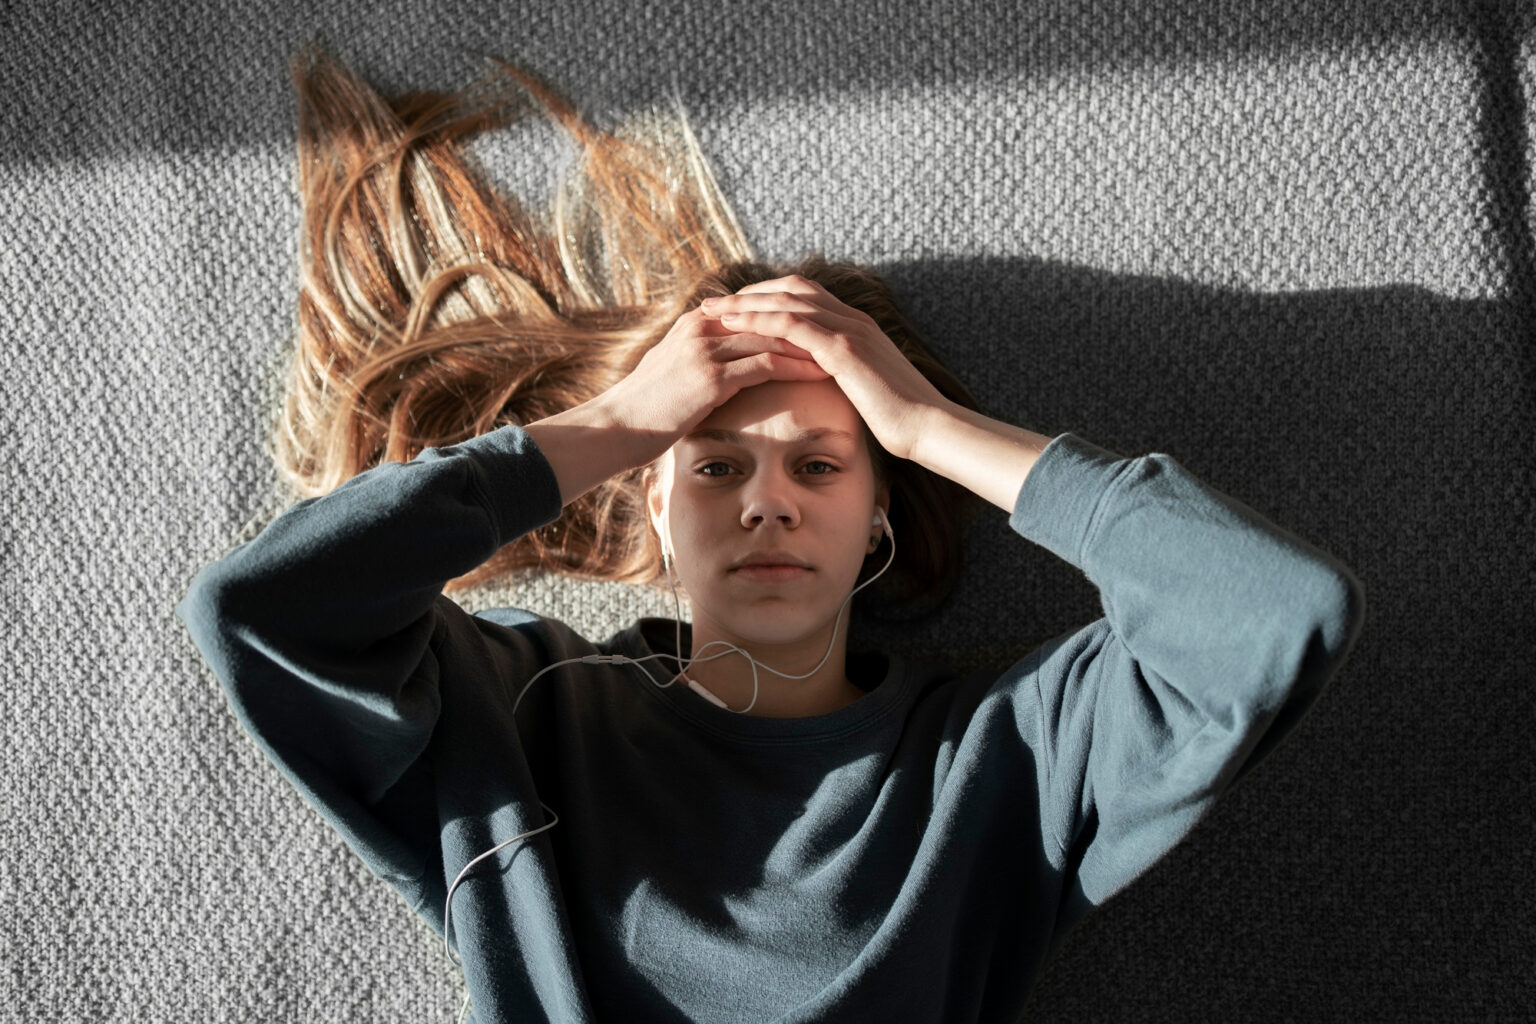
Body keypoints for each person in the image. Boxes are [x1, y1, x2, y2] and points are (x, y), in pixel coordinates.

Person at [175, 45, 1366, 1024]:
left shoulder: (1003, 752)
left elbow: (1273, 611)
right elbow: (264, 610)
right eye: (714, 464)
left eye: (820, 464)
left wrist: (929, 424)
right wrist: (619, 422)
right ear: (654, 500)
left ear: (880, 511)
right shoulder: (518, 715)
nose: (768, 501)